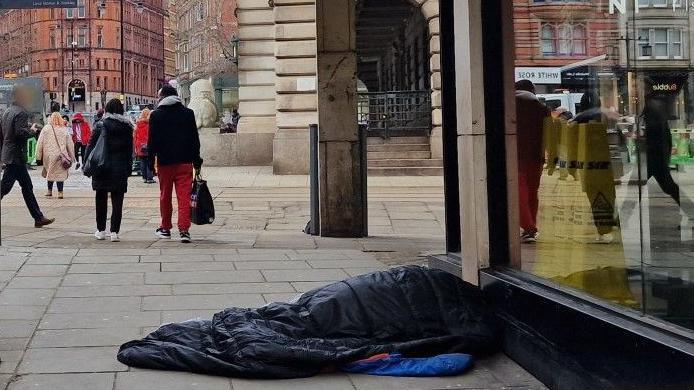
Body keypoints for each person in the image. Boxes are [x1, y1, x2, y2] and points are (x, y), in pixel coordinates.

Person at [148, 85, 202, 243]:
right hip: (185, 162)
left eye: (159, 97)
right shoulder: (188, 113)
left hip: (165, 163)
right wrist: (197, 160)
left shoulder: (156, 115)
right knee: (184, 197)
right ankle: (184, 230)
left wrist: (151, 162)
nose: (158, 99)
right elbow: (194, 139)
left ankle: (165, 228)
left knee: (165, 195)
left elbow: (152, 142)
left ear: (163, 97)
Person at [0, 85, 55, 228]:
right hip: (16, 156)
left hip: (10, 153)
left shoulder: (7, 112)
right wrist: (32, 130)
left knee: (26, 187)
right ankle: (38, 217)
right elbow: (19, 133)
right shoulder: (21, 113)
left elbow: (7, 132)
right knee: (5, 187)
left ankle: (38, 217)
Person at [85, 98, 133, 242]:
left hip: (102, 167)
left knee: (100, 198)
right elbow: (129, 151)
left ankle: (101, 230)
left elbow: (91, 145)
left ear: (106, 109)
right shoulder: (127, 128)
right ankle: (114, 232)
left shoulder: (100, 125)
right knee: (118, 200)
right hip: (119, 167)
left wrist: (87, 163)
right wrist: (128, 168)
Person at [515, 80, 550, 243]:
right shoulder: (543, 109)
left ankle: (529, 227)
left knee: (518, 191)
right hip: (537, 157)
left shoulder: (511, 106)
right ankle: (531, 226)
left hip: (516, 155)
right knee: (532, 192)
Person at [36, 112, 75, 199]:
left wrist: (38, 155)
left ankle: (49, 191)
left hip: (49, 155)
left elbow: (40, 142)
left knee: (50, 171)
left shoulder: (46, 128)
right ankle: (60, 192)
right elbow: (70, 144)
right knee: (60, 173)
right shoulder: (64, 129)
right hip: (61, 155)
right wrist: (72, 156)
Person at [134, 108, 155, 183]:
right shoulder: (150, 123)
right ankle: (150, 178)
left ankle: (144, 177)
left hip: (140, 145)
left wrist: (136, 146)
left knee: (142, 161)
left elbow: (135, 135)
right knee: (149, 160)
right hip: (148, 144)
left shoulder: (138, 124)